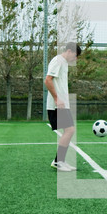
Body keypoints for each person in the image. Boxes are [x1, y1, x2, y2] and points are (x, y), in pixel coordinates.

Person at [44, 42, 81, 171]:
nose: (75, 59)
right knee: (70, 130)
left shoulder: (64, 63)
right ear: (69, 51)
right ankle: (58, 161)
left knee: (69, 130)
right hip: (57, 105)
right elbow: (47, 80)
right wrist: (57, 99)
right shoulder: (58, 61)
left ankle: (60, 160)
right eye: (75, 55)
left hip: (62, 105)